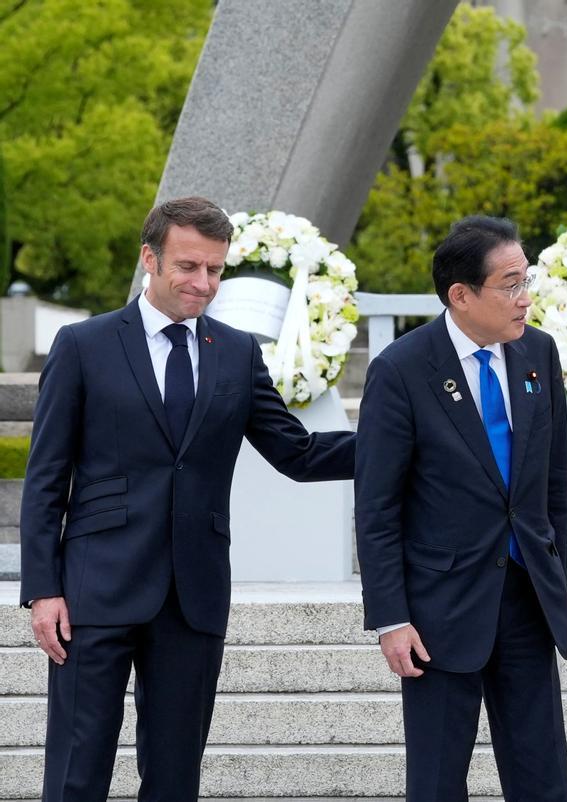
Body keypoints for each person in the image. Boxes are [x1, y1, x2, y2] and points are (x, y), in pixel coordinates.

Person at [19, 196, 356, 801]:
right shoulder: (83, 345)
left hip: (193, 595)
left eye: (216, 270)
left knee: (176, 780)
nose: (203, 283)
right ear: (150, 258)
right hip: (94, 590)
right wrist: (44, 590)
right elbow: (46, 477)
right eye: (188, 267)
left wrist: (402, 442)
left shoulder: (236, 351)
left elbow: (296, 453)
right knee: (76, 774)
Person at [355, 216, 567, 802]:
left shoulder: (538, 355)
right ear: (461, 295)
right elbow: (376, 507)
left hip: (526, 598)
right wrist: (391, 617)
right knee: (437, 778)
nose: (524, 298)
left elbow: (554, 487)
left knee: (542, 775)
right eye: (510, 285)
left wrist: (554, 575)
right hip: (438, 611)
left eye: (526, 281)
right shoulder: (401, 369)